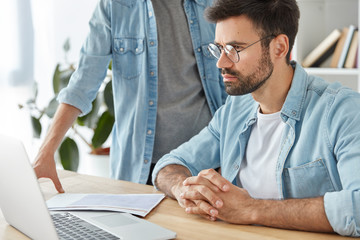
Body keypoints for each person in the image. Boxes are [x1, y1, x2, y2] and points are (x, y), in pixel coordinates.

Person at [152, 0, 360, 237]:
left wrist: (251, 209)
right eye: (219, 48)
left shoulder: (344, 111)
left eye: (235, 49)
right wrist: (183, 189)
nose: (221, 63)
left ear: (279, 48)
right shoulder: (235, 110)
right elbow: (169, 164)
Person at [33, 0, 227, 192]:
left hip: (201, 164)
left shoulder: (213, 4)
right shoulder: (115, 6)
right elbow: (83, 81)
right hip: (138, 168)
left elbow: (235, 81)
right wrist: (46, 152)